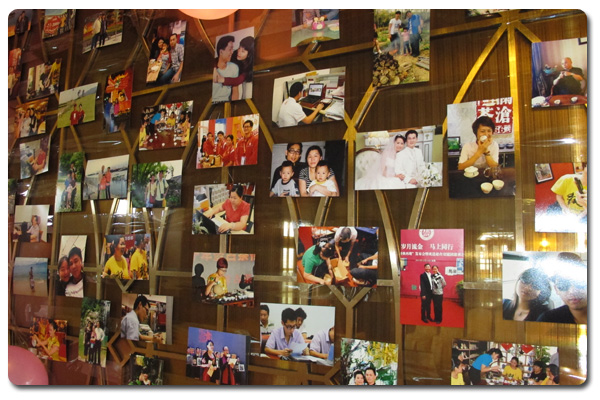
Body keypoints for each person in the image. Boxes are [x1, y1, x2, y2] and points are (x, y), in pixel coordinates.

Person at [537, 253, 587, 324]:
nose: (572, 291)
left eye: (579, 283)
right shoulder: (548, 320)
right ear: (556, 289)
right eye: (563, 285)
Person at [214, 36, 254, 100]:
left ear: (249, 54)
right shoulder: (235, 54)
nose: (239, 52)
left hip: (239, 81)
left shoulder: (249, 67)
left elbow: (238, 80)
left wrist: (222, 79)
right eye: (239, 48)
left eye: (243, 51)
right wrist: (215, 68)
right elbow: (219, 58)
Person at [213, 35, 239, 102]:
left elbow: (235, 91)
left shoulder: (234, 68)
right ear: (221, 52)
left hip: (226, 104)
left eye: (232, 49)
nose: (232, 52)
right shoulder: (213, 68)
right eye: (230, 49)